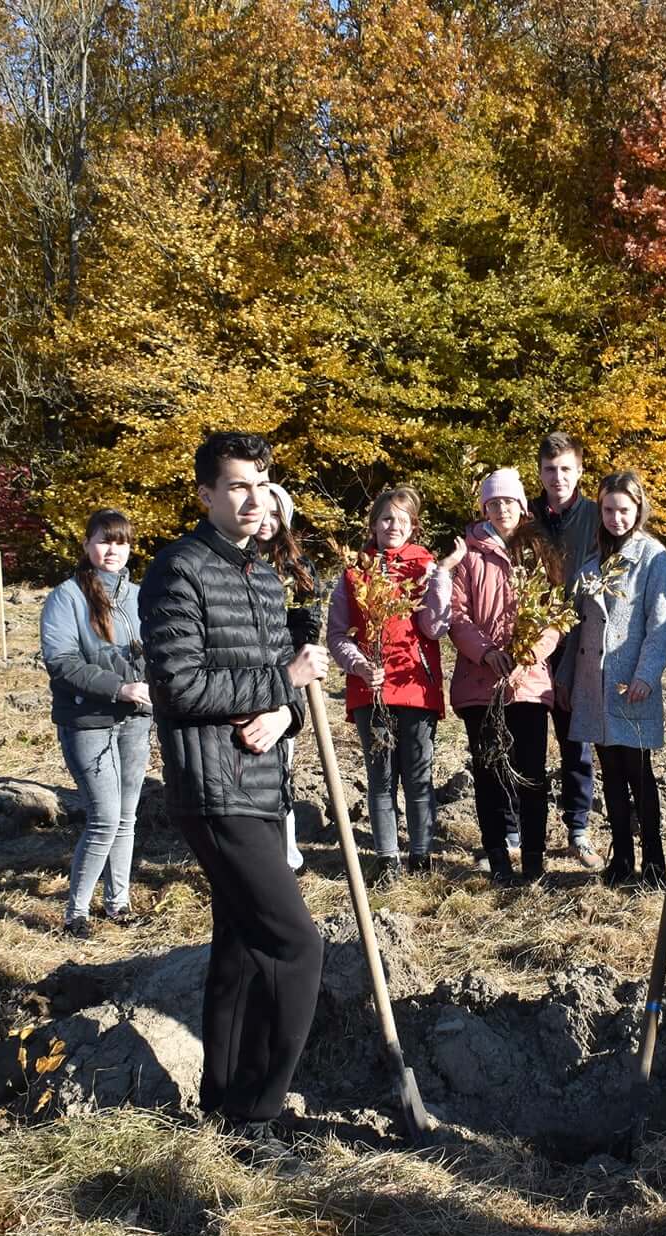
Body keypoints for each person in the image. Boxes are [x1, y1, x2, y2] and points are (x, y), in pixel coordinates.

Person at [140, 431, 332, 1136]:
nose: (252, 498)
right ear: (206, 495)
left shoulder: (262, 573)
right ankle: (258, 1110)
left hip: (261, 782)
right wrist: (282, 682)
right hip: (212, 787)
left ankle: (224, 1108)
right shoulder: (178, 571)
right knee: (296, 944)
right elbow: (179, 684)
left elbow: (286, 696)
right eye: (237, 486)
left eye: (260, 484)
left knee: (244, 948)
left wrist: (285, 713)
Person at [326, 485, 465, 884]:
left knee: (419, 776)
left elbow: (435, 626)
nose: (394, 526)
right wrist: (359, 665)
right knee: (381, 778)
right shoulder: (354, 573)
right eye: (387, 518)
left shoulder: (423, 567)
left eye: (402, 520)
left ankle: (421, 854)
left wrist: (442, 574)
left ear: (413, 527)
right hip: (371, 690)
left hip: (415, 687)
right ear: (373, 524)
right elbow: (338, 635)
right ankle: (387, 858)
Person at [39, 508, 152, 939]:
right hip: (88, 719)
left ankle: (117, 904)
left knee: (127, 816)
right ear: (87, 545)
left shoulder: (140, 596)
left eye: (120, 542)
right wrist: (119, 687)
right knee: (104, 817)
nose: (112, 550)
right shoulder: (66, 597)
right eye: (104, 540)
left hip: (136, 720)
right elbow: (62, 662)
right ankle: (76, 913)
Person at [559, 471, 666, 888]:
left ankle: (655, 862)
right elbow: (577, 628)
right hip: (594, 684)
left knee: (639, 772)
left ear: (638, 509)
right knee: (610, 772)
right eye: (608, 509)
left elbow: (659, 623)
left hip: (630, 683)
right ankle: (622, 856)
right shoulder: (592, 562)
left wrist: (647, 674)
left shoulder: (653, 556)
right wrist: (568, 678)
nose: (616, 518)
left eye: (624, 510)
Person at [452, 467, 564, 885]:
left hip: (529, 682)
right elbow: (456, 615)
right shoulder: (467, 553)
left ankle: (534, 858)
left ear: (522, 505)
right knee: (489, 772)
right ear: (484, 507)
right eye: (494, 503)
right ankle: (497, 854)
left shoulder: (538, 550)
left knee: (532, 772)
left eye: (509, 502)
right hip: (481, 683)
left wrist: (531, 650)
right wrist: (486, 652)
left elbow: (555, 614)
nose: (502, 509)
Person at [532, 432, 605, 871]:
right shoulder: (526, 518)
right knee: (528, 743)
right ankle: (524, 831)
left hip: (577, 644)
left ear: (579, 471)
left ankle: (578, 828)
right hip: (529, 644)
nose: (557, 477)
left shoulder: (597, 517)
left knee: (576, 742)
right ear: (539, 473)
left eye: (565, 469)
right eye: (549, 469)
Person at [255, 481, 318, 872]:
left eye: (276, 513)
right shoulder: (226, 559)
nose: (267, 520)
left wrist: (293, 670)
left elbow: (307, 624)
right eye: (263, 510)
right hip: (239, 674)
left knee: (282, 768)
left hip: (282, 680)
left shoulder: (297, 568)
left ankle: (287, 855)